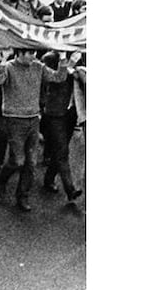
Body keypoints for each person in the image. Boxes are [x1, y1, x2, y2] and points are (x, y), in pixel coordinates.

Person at [0, 48, 76, 211]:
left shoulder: (38, 67)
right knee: (18, 160)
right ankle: (3, 179)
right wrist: (2, 61)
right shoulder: (9, 67)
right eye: (30, 53)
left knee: (31, 162)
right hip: (14, 120)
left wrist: (63, 58)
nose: (33, 56)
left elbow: (59, 77)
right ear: (20, 53)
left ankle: (22, 196)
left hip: (34, 119)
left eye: (34, 53)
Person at [38, 51, 84, 202]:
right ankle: (70, 190)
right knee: (62, 150)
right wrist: (69, 65)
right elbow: (53, 80)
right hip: (55, 111)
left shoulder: (81, 56)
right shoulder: (49, 58)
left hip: (71, 112)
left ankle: (49, 179)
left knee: (59, 150)